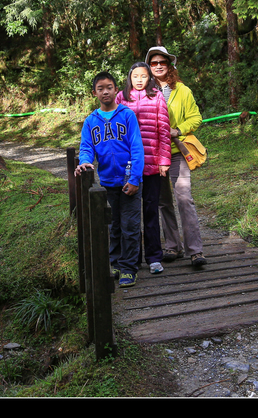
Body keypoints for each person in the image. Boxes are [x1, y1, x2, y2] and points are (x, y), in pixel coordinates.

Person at [75, 71, 145, 288]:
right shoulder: (91, 121)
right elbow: (86, 147)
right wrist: (85, 162)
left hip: (130, 182)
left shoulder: (127, 115)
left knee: (130, 226)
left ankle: (128, 269)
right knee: (113, 226)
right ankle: (115, 263)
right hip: (107, 183)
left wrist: (135, 179)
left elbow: (137, 148)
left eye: (109, 87)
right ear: (94, 93)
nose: (105, 91)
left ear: (116, 90)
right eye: (100, 88)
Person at [145, 46, 207, 269]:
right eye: (154, 63)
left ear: (169, 65)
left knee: (183, 198)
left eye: (162, 62)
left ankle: (195, 251)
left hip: (176, 153)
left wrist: (178, 129)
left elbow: (195, 118)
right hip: (153, 154)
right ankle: (172, 246)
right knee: (163, 202)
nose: (159, 66)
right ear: (149, 68)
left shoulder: (182, 90)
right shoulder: (144, 91)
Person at [116, 62, 172, 275]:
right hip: (129, 166)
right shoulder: (121, 97)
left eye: (144, 76)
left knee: (150, 211)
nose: (139, 80)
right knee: (129, 215)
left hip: (152, 164)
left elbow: (164, 130)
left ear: (149, 78)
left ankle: (154, 258)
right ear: (129, 77)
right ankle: (132, 259)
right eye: (135, 76)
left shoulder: (157, 96)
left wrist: (164, 159)